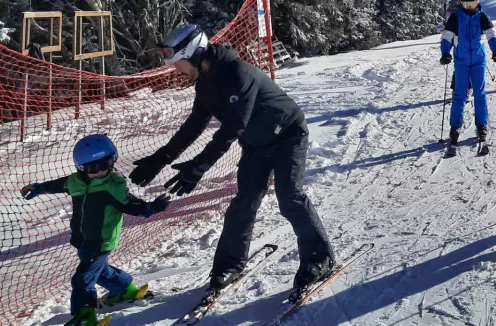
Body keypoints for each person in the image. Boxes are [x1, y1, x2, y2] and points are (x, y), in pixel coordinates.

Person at [129, 24, 334, 294]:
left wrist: (199, 167)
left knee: (290, 197)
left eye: (177, 62)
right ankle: (230, 265)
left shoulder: (238, 73)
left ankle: (321, 260)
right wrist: (161, 158)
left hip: (288, 136)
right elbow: (195, 124)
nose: (175, 69)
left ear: (192, 53)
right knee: (243, 203)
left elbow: (232, 128)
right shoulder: (205, 82)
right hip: (256, 144)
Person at [22, 135, 169, 326]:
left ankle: (84, 315)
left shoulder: (113, 186)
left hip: (101, 241)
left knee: (83, 279)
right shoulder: (74, 182)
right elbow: (57, 184)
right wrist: (40, 188)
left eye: (105, 164)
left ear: (113, 160)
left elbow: (131, 205)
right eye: (92, 168)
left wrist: (150, 208)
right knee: (100, 272)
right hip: (82, 240)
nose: (100, 172)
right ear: (81, 168)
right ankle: (125, 290)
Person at [440, 0, 496, 144]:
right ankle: (454, 127)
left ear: (477, 2)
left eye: (472, 3)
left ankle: (481, 125)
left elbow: (491, 35)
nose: (469, 7)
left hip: (478, 61)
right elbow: (446, 37)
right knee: (460, 94)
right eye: (466, 4)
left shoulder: (482, 17)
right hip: (461, 61)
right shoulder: (455, 18)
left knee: (480, 93)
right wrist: (445, 53)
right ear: (461, 3)